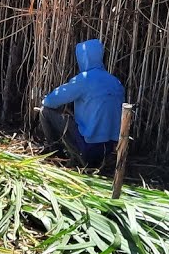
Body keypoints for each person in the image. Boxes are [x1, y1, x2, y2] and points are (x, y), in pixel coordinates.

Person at [39, 38, 125, 168]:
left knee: (44, 111)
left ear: (83, 58)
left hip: (88, 148)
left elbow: (50, 101)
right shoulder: (116, 82)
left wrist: (47, 99)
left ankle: (56, 154)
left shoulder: (84, 80)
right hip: (109, 150)